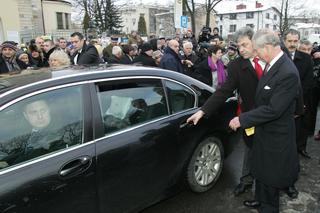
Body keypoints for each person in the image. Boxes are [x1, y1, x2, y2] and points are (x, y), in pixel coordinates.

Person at [228, 29, 300, 213]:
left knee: (270, 176)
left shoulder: (287, 71)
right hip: (263, 132)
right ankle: (259, 200)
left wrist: (242, 119)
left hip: (275, 136)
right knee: (260, 170)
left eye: (257, 50)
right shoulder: (272, 64)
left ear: (267, 48)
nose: (256, 54)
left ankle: (268, 206)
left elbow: (274, 109)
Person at [187, 27, 260, 197]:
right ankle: (246, 181)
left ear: (254, 42)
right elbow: (224, 91)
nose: (241, 49)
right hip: (249, 117)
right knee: (250, 150)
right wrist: (203, 111)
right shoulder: (236, 66)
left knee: (269, 153)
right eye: (238, 45)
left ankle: (270, 185)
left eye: (244, 45)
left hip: (271, 116)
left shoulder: (268, 58)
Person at [283, 29, 314, 159]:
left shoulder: (306, 58)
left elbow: (308, 81)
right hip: (282, 99)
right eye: (290, 41)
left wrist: (299, 98)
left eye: (295, 41)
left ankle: (300, 148)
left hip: (300, 99)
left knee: (300, 126)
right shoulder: (277, 56)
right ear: (284, 41)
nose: (292, 44)